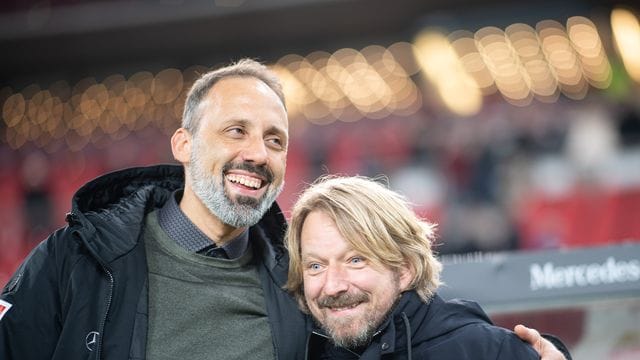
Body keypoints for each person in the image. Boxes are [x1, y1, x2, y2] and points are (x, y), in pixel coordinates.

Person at [0, 59, 567, 360]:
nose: (257, 153)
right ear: (184, 144)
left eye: (275, 139)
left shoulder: (298, 279)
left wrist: (531, 356)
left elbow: (406, 319)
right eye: (236, 131)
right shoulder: (77, 260)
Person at [285, 175, 573, 359]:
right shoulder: (294, 352)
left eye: (355, 260)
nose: (333, 285)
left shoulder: (487, 352)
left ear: (406, 269)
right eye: (315, 266)